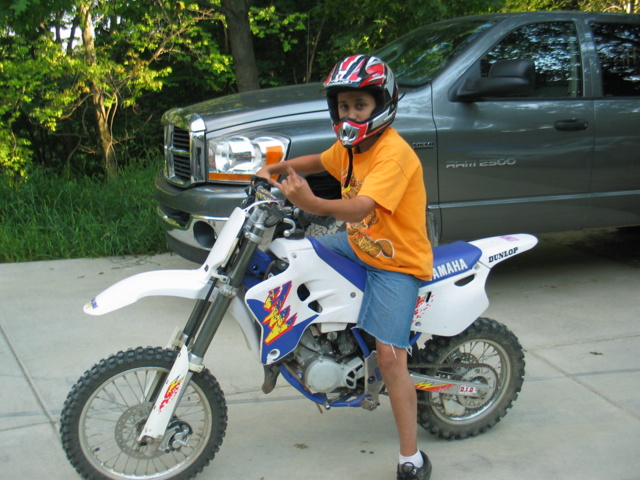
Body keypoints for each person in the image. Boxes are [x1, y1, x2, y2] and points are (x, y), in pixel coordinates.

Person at [256, 54, 433, 480]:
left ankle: (410, 456)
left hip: (396, 261)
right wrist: (276, 169)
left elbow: (359, 207)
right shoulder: (353, 147)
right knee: (290, 256)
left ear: (381, 104)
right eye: (344, 105)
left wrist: (311, 203)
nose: (349, 113)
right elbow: (321, 160)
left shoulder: (393, 155)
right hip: (360, 245)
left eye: (360, 105)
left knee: (391, 359)